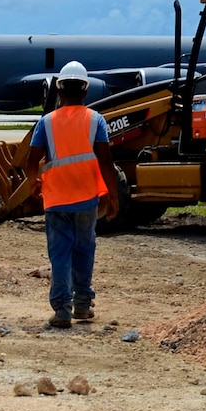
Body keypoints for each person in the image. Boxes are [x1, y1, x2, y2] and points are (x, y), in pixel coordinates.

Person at [24, 61, 119, 328]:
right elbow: (106, 160)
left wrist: (34, 182)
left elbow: (31, 161)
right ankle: (82, 305)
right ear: (86, 91)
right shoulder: (95, 121)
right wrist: (113, 196)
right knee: (84, 250)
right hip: (87, 198)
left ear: (59, 90)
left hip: (55, 200)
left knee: (60, 253)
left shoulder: (46, 123)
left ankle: (62, 310)